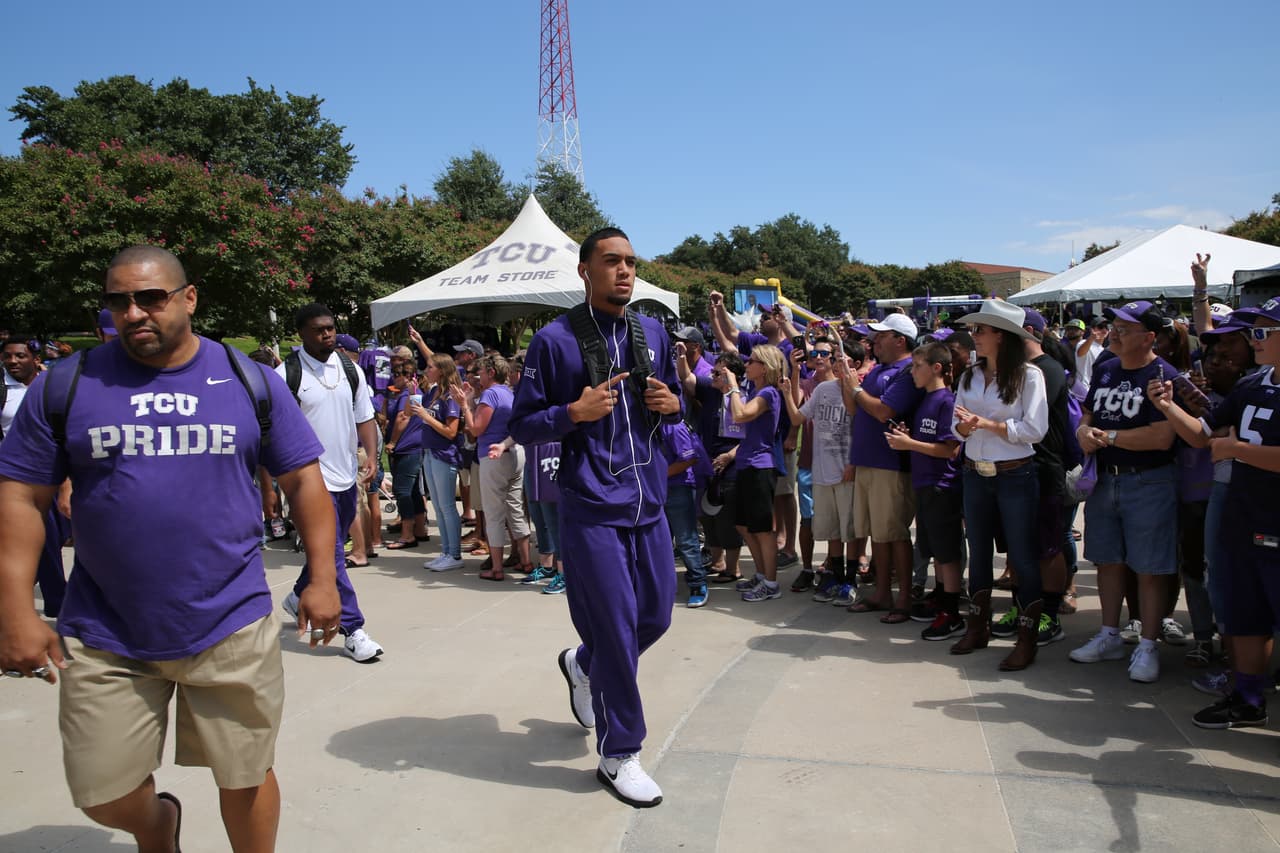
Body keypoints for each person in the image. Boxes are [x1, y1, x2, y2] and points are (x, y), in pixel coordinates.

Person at [0, 245, 339, 851]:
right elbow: (22, 499)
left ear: (188, 298)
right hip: (106, 630)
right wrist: (16, 610)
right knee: (101, 792)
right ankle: (159, 825)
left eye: (150, 297)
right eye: (119, 301)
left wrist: (323, 578)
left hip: (229, 619)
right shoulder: (66, 385)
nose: (133, 313)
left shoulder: (247, 380)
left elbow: (303, 481)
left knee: (244, 773)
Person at [509, 226, 683, 808]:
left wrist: (674, 404)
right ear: (585, 270)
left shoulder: (653, 331)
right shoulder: (553, 342)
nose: (625, 271)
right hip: (591, 507)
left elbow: (678, 399)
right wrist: (572, 412)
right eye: (612, 261)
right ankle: (620, 753)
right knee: (614, 630)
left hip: (649, 502)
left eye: (631, 262)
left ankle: (580, 666)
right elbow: (524, 425)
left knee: (653, 619)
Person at [1149, 296, 1280, 728]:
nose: (1253, 339)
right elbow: (1205, 436)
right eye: (1253, 331)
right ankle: (1246, 697)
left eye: (1262, 331)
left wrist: (1237, 450)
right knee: (1244, 612)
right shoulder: (1252, 384)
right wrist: (1168, 406)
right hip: (1242, 516)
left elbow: (1229, 446)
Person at [1069, 301, 1177, 683]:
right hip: (1105, 480)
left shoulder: (1163, 374)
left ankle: (1148, 645)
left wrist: (1110, 436)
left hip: (1148, 481)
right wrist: (1084, 430)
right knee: (1108, 561)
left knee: (1149, 568)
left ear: (1149, 337)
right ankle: (1109, 634)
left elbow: (1164, 437)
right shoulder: (1107, 369)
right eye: (1114, 325)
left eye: (1125, 328)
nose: (1114, 331)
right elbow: (1087, 412)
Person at [278, 303, 385, 664]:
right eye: (319, 330)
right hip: (309, 481)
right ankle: (353, 630)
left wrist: (371, 455)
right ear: (302, 334)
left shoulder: (350, 369)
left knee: (330, 547)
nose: (327, 334)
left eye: (330, 328)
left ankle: (297, 595)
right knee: (335, 556)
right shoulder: (286, 375)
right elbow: (274, 432)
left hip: (344, 477)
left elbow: (365, 416)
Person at [949, 299, 1047, 668]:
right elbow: (954, 428)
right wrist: (964, 428)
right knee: (979, 554)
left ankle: (1027, 637)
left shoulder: (1029, 376)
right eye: (975, 330)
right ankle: (978, 626)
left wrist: (986, 424)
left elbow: (1035, 430)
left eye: (981, 330)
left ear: (1002, 337)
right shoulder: (969, 376)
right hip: (975, 470)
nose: (974, 337)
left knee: (1021, 555)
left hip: (1015, 474)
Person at [836, 313, 924, 621]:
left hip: (891, 464)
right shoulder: (881, 369)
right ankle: (882, 593)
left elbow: (884, 411)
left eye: (882, 335)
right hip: (869, 461)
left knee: (895, 533)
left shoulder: (908, 370)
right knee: (877, 533)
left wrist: (856, 389)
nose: (875, 340)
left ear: (900, 340)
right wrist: (848, 383)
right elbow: (855, 408)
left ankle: (903, 600)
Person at [885, 342, 963, 640]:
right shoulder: (926, 400)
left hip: (942, 486)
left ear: (937, 368)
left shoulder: (946, 401)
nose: (913, 373)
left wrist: (910, 444)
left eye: (918, 367)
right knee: (934, 551)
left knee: (947, 554)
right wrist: (909, 438)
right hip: (925, 485)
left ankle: (952, 613)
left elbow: (949, 450)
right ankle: (941, 598)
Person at [721, 343, 786, 601]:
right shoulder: (758, 390)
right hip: (747, 464)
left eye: (752, 361)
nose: (746, 364)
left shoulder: (769, 393)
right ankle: (761, 574)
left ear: (765, 367)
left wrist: (734, 386)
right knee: (743, 524)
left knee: (761, 528)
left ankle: (771, 583)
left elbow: (740, 415)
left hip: (761, 466)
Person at [464, 354, 532, 580]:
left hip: (493, 455)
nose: (478, 377)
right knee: (515, 508)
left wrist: (464, 405)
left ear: (491, 373)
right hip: (514, 452)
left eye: (481, 372)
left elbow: (476, 429)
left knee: (494, 513)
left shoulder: (491, 394)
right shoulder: (510, 393)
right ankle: (525, 561)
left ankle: (496, 568)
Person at [416, 353, 465, 571]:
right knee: (437, 505)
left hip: (444, 454)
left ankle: (454, 554)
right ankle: (445, 551)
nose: (426, 370)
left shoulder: (450, 397)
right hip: (429, 453)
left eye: (430, 367)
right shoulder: (432, 393)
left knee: (446, 505)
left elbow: (451, 431)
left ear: (442, 370)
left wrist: (427, 418)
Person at [384, 362, 430, 549]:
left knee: (402, 492)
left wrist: (392, 442)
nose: (396, 376)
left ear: (412, 377)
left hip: (406, 448)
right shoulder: (415, 394)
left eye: (401, 373)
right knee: (412, 491)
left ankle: (407, 535)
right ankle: (420, 530)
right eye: (395, 373)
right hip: (414, 447)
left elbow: (403, 418)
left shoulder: (408, 395)